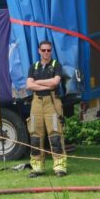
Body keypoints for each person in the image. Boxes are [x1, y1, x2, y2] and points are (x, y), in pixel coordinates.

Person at [25, 40, 67, 178]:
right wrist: (46, 85)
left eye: (48, 50)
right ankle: (37, 168)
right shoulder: (33, 67)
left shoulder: (56, 65)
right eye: (43, 50)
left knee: (55, 135)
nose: (46, 52)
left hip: (51, 101)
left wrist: (37, 82)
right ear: (39, 51)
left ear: (51, 51)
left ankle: (60, 167)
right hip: (36, 102)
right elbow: (29, 85)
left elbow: (55, 82)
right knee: (35, 135)